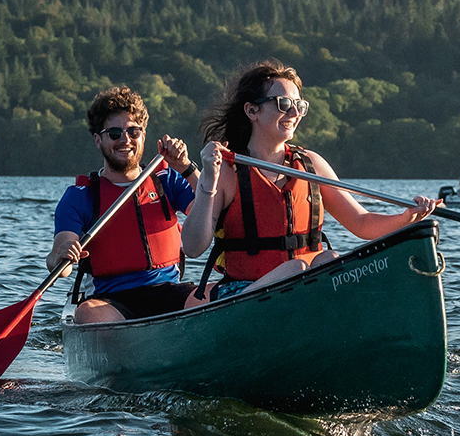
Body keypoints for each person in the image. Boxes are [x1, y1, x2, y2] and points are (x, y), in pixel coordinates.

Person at [184, 60, 438, 301]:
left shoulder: (310, 165)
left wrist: (406, 218)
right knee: (295, 268)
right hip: (244, 294)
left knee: (328, 260)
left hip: (305, 287)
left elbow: (361, 223)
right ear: (252, 110)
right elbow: (193, 247)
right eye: (283, 103)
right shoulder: (227, 171)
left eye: (299, 105)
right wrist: (209, 176)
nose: (295, 112)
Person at [49, 86, 199, 323]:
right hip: (110, 301)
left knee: (215, 294)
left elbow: (213, 212)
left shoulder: (168, 180)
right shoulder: (80, 196)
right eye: (115, 133)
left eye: (133, 131)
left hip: (168, 292)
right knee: (87, 314)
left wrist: (187, 167)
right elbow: (60, 256)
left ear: (144, 135)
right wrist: (61, 256)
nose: (125, 140)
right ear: (98, 140)